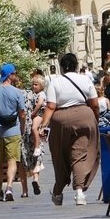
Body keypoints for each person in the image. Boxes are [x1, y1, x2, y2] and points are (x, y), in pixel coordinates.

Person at [42, 52, 99, 206]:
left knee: (59, 154)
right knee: (80, 153)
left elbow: (50, 106)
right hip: (84, 116)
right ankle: (79, 193)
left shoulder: (55, 82)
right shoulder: (85, 79)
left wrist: (43, 125)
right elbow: (94, 104)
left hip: (60, 119)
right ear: (76, 66)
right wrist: (95, 120)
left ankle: (58, 191)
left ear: (61, 67)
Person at [0, 64, 27, 202]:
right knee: (12, 161)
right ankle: (9, 187)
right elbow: (22, 114)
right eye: (15, 73)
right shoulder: (17, 92)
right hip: (13, 130)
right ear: (10, 75)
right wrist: (22, 128)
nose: (16, 75)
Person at [22, 74, 47, 196]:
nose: (33, 86)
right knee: (37, 157)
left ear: (42, 86)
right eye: (33, 84)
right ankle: (36, 180)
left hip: (38, 115)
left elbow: (41, 104)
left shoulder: (41, 95)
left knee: (34, 129)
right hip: (36, 125)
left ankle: (37, 146)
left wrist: (33, 112)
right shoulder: (33, 94)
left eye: (36, 84)